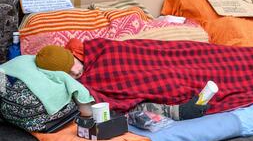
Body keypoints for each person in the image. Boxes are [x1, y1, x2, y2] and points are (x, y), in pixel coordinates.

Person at [35, 40, 208, 121]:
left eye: (72, 63)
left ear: (72, 54)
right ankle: (175, 110)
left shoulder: (92, 48)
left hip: (147, 57)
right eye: (68, 73)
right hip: (142, 80)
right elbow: (89, 108)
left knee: (187, 54)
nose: (76, 71)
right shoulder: (78, 87)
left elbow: (131, 50)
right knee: (167, 78)